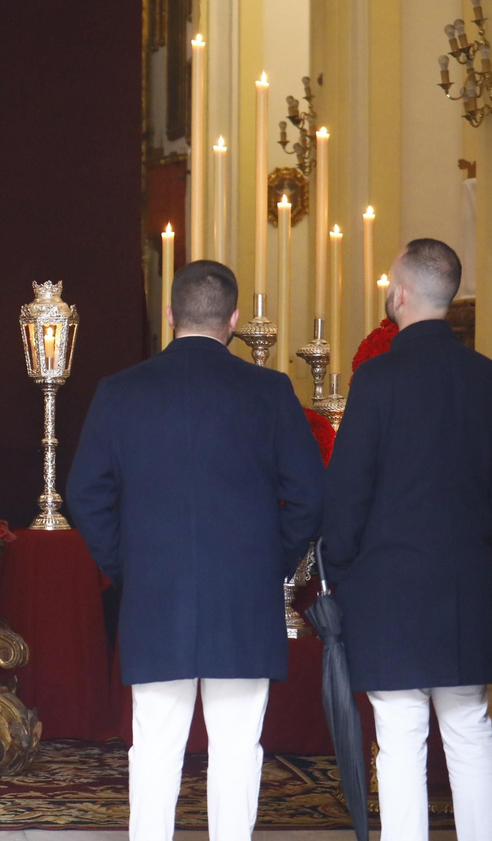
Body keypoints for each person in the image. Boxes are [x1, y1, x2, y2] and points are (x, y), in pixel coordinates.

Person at [66, 260, 323, 841]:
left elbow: (85, 495)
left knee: (154, 747)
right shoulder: (270, 391)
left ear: (170, 316)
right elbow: (309, 495)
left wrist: (127, 566)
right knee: (237, 748)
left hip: (156, 592)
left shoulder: (120, 391)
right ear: (233, 320)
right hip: (244, 595)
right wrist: (273, 564)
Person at [322, 238, 492, 841]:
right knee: (469, 727)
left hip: (389, 587)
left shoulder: (377, 379)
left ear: (400, 294)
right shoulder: (491, 380)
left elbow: (348, 490)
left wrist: (339, 570)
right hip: (466, 582)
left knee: (400, 735)